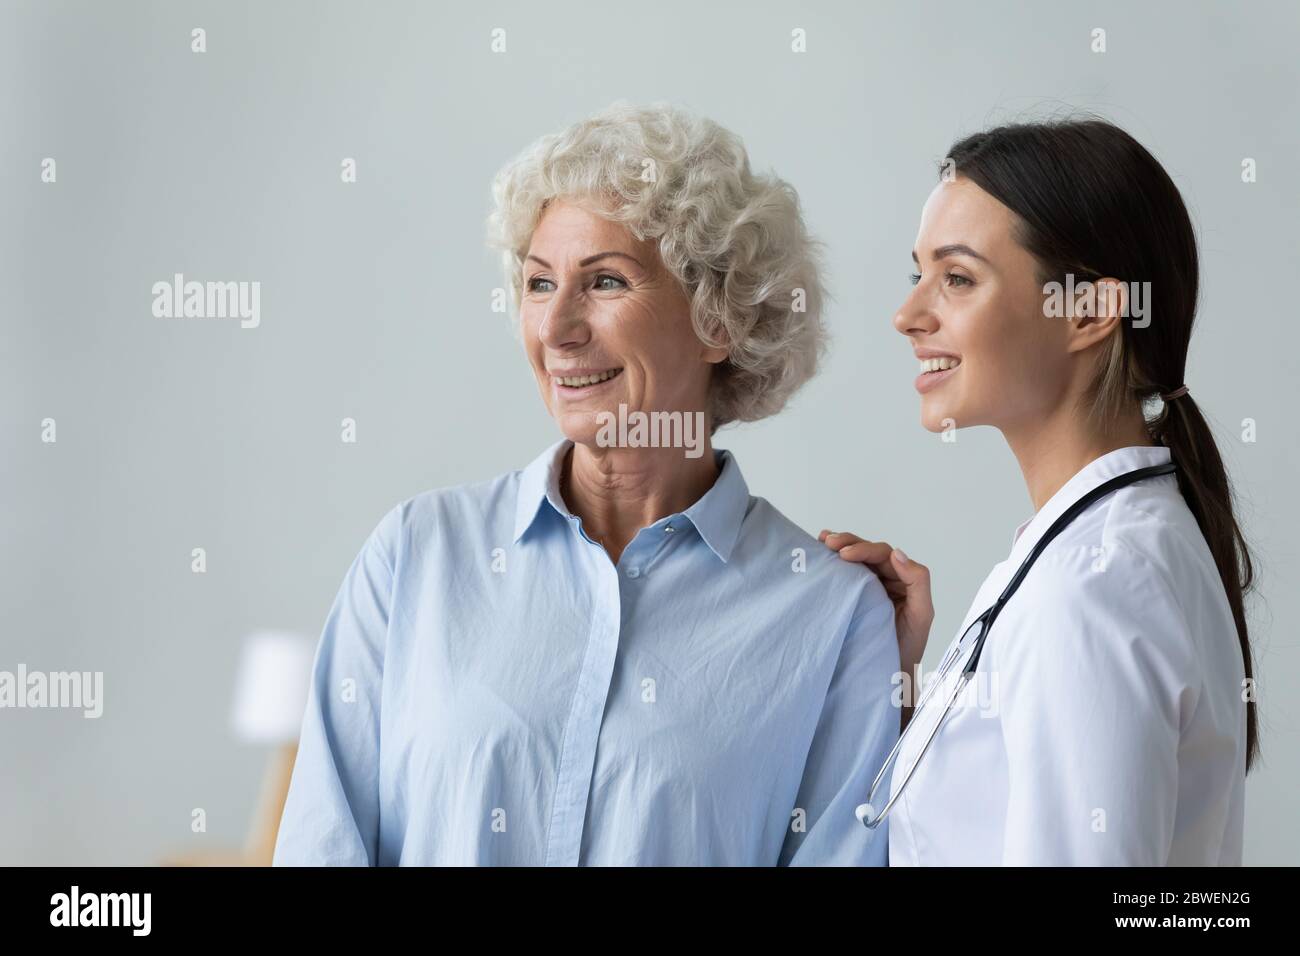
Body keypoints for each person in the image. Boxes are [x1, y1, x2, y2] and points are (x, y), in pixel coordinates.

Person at [273, 102, 900, 866]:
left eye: (604, 281)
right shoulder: (416, 556)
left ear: (719, 319)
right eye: (539, 284)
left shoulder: (831, 616)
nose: (558, 328)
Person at [823, 119, 1256, 865]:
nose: (908, 316)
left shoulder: (1093, 584)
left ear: (1086, 311)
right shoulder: (1111, 551)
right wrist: (905, 687)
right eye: (917, 274)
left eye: (957, 278)